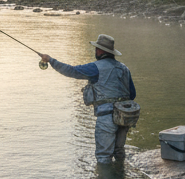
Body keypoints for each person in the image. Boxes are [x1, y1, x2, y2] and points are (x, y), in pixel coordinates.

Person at [37, 33, 137, 164]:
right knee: (119, 152)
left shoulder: (95, 67)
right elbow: (132, 94)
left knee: (103, 157)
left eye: (96, 48)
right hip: (124, 117)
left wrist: (50, 60)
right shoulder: (124, 68)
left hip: (107, 117)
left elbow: (71, 71)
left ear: (99, 50)